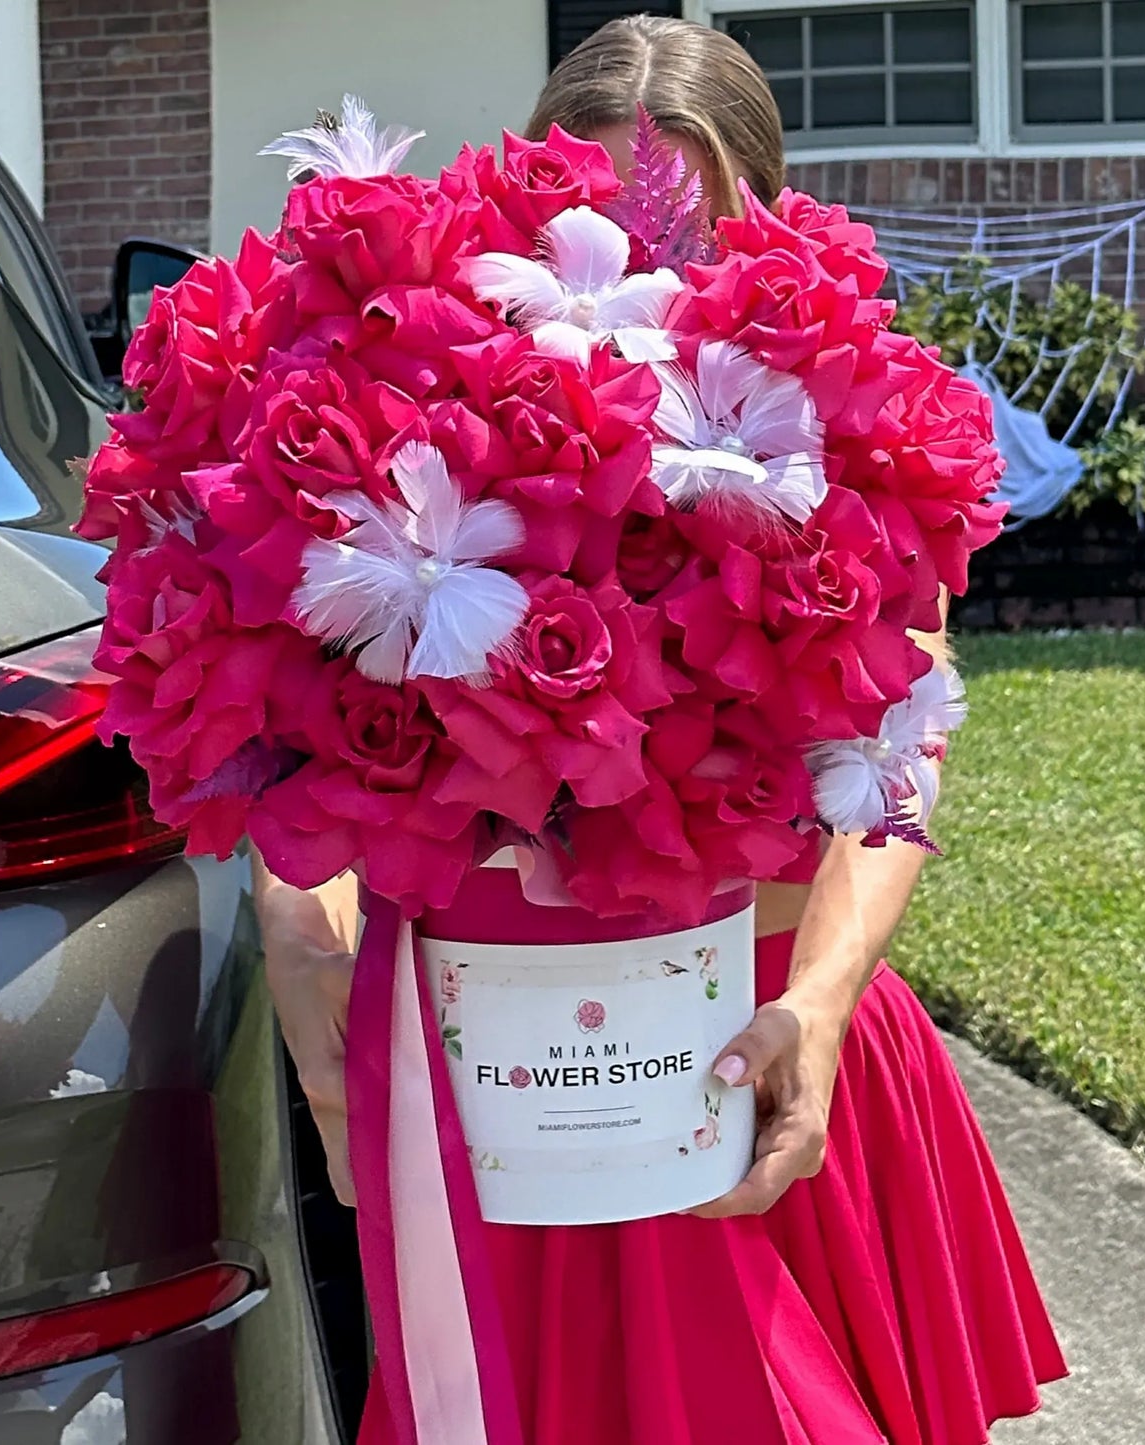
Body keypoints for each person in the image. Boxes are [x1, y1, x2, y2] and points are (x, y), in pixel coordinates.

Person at [257, 15, 1068, 1444]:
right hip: (517, 1080)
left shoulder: (860, 417)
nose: (653, 265)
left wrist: (815, 1002)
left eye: (695, 231)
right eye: (613, 224)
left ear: (764, 215)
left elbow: (900, 746)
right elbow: (304, 711)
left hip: (763, 1045)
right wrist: (295, 926)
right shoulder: (428, 407)